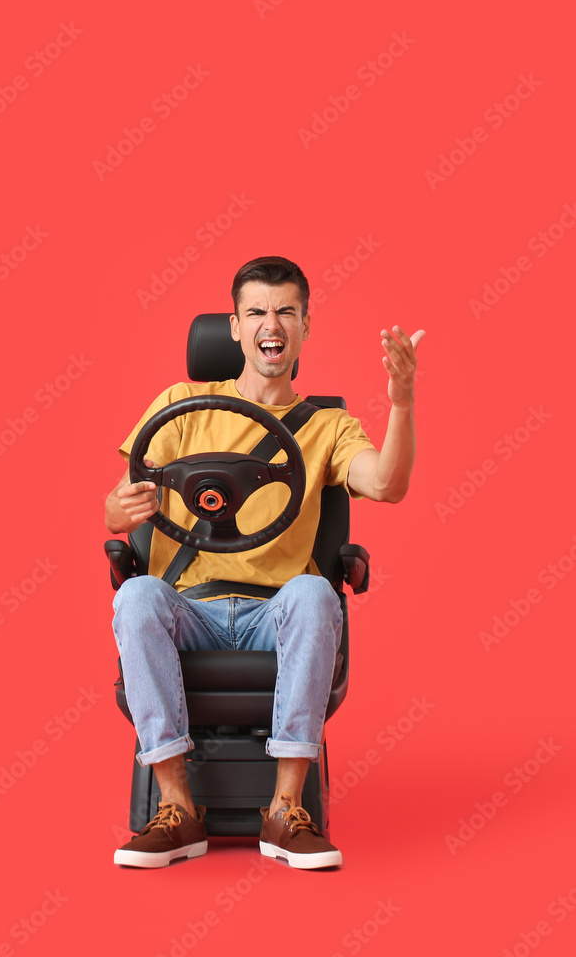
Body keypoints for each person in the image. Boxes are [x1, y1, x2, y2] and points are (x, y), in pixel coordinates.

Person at [106, 256, 425, 869]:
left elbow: (388, 484)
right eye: (256, 311)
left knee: (314, 594)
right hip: (188, 608)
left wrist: (402, 402)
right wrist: (118, 508)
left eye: (285, 311)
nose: (270, 323)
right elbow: (117, 512)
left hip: (273, 611)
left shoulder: (327, 425)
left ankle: (285, 811)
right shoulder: (179, 406)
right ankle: (176, 810)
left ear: (306, 326)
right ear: (234, 327)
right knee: (136, 594)